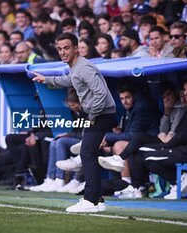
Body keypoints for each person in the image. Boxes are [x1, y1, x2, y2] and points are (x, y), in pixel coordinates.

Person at [33, 32, 116, 213]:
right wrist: (46, 79)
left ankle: (91, 200)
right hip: (98, 114)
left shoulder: (84, 67)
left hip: (101, 114)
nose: (63, 52)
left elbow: (100, 93)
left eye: (67, 48)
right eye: (60, 49)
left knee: (87, 154)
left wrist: (92, 117)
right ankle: (98, 199)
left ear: (76, 48)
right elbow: (68, 80)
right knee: (89, 154)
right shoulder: (75, 67)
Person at [143, 77, 187, 200]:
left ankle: (177, 182)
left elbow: (182, 135)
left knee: (149, 158)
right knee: (143, 150)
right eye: (184, 89)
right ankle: (141, 186)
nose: (186, 92)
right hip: (185, 148)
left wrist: (166, 146)